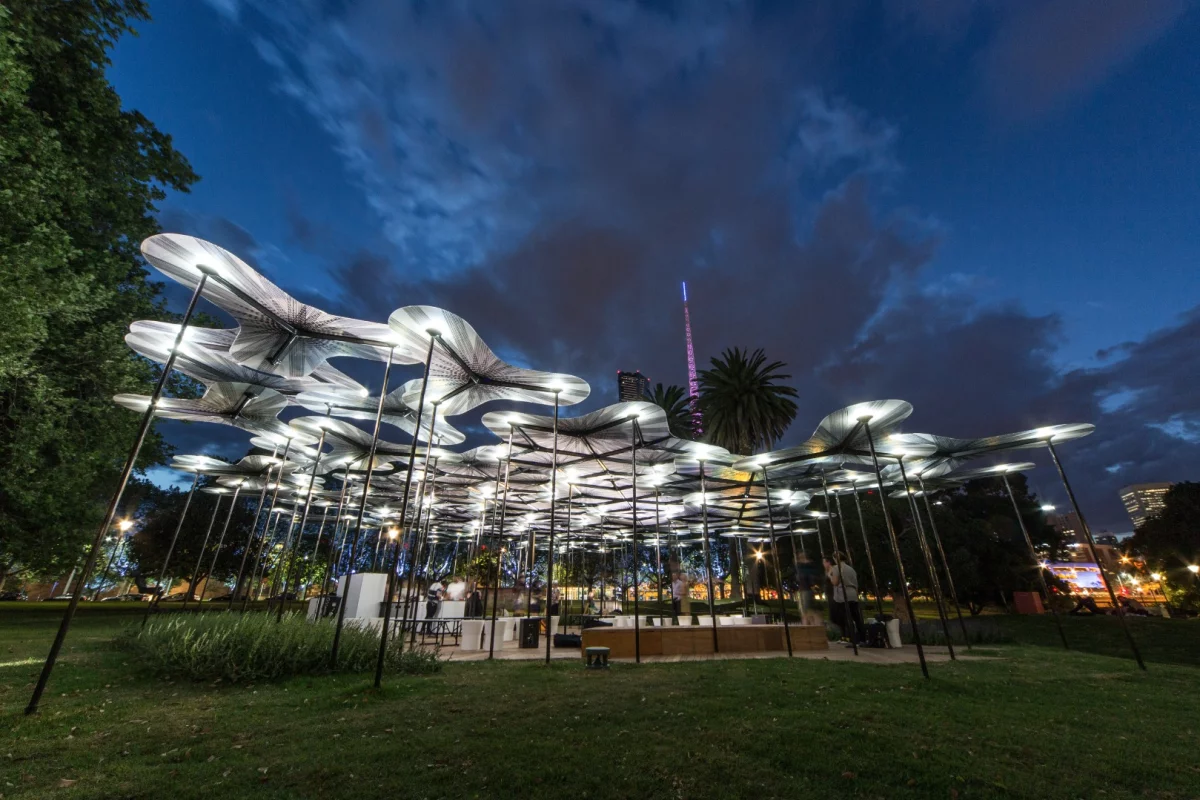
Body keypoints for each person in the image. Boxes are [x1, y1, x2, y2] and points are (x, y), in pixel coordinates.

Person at [825, 552, 865, 644]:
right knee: (857, 618)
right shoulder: (851, 569)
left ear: (835, 559)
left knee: (847, 618)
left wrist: (830, 576)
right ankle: (862, 638)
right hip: (853, 594)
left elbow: (835, 582)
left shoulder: (836, 568)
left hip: (843, 595)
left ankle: (851, 638)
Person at [795, 552, 823, 626]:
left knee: (806, 610)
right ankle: (808, 623)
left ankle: (809, 624)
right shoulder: (801, 567)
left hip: (806, 589)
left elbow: (808, 577)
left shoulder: (806, 566)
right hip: (803, 589)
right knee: (804, 609)